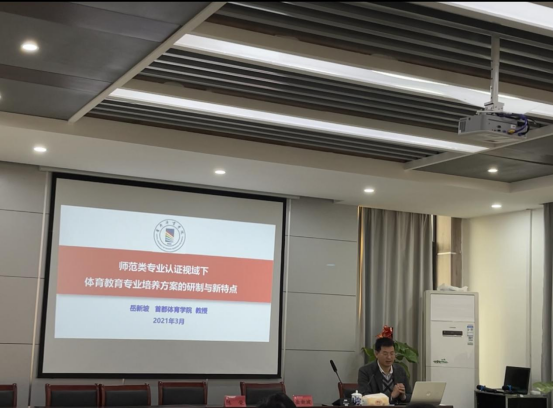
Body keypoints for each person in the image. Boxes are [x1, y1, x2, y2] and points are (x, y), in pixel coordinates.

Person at [357, 337, 412, 404]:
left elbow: (410, 395)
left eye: (392, 353)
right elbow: (364, 397)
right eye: (385, 354)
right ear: (376, 354)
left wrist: (403, 396)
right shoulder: (365, 371)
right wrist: (391, 395)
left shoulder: (400, 370)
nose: (389, 357)